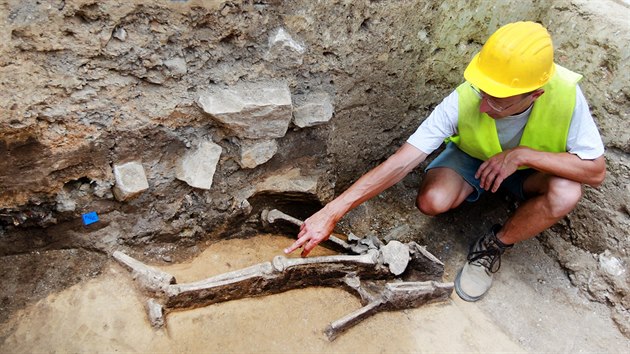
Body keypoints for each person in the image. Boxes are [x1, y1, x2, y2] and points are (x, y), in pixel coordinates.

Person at [283, 21, 606, 301]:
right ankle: (476, 190)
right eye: (483, 91)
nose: (483, 106)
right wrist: (331, 212)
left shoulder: (565, 94)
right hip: (473, 158)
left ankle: (494, 244)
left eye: (498, 100)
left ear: (535, 94)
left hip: (530, 172)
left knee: (566, 192)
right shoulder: (464, 98)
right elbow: (401, 162)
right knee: (432, 201)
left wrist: (521, 155)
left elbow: (594, 171)